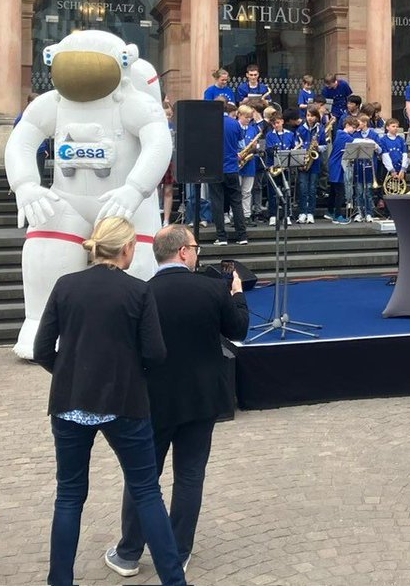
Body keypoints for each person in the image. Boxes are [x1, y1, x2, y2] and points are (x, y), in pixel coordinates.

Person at [31, 217, 187, 586]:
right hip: (124, 401)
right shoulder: (137, 291)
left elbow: (42, 349)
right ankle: (174, 581)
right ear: (127, 248)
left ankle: (60, 581)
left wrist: (69, 372)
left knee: (69, 496)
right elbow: (156, 352)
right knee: (146, 490)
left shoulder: (66, 286)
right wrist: (132, 374)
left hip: (70, 400)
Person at [104, 225, 249, 578]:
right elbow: (239, 329)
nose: (198, 253)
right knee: (189, 476)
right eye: (196, 247)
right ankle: (178, 550)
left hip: (152, 400)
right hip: (201, 399)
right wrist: (238, 294)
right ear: (183, 252)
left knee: (143, 477)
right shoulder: (213, 289)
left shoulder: (141, 293)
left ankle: (128, 552)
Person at [211, 107, 249, 247]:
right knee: (236, 202)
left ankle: (221, 237)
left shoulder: (211, 123)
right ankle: (242, 235)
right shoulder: (235, 123)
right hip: (232, 168)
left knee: (217, 202)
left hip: (215, 169)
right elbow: (241, 144)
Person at [263, 112, 296, 226]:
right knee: (272, 192)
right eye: (273, 124)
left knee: (286, 192)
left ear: (282, 121)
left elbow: (293, 149)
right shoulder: (270, 135)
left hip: (285, 168)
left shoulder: (290, 134)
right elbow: (269, 150)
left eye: (277, 123)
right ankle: (273, 215)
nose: (276, 125)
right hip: (273, 167)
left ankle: (286, 215)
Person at [295, 108, 325, 224]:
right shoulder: (300, 129)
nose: (310, 118)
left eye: (312, 116)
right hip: (303, 161)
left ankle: (311, 213)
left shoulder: (320, 130)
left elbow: (325, 146)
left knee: (312, 189)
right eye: (308, 115)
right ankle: (302, 212)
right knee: (302, 188)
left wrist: (318, 147)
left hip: (315, 162)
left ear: (317, 117)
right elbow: (296, 144)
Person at [327, 116, 355, 224]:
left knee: (334, 191)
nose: (354, 130)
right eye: (353, 127)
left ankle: (330, 211)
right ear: (347, 125)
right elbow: (356, 141)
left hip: (335, 164)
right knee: (340, 191)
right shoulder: (344, 135)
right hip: (337, 165)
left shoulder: (339, 133)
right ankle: (337, 215)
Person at [378, 118, 410, 196]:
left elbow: (405, 154)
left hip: (400, 169)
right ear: (387, 127)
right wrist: (392, 170)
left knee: (401, 190)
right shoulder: (383, 140)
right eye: (393, 126)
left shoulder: (401, 140)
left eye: (397, 126)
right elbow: (385, 156)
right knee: (388, 191)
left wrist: (403, 169)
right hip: (388, 170)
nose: (395, 128)